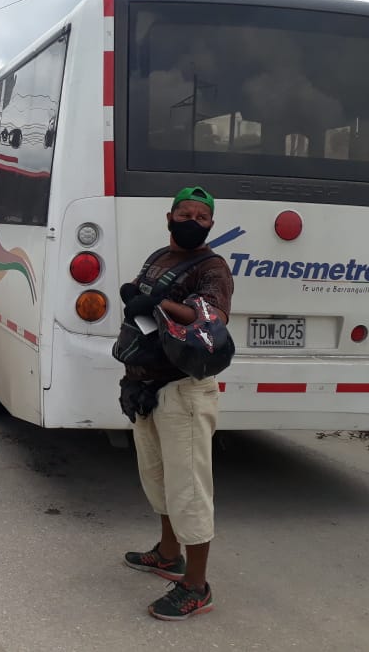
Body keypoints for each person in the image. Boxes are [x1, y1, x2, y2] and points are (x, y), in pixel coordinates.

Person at [119, 186, 234, 621]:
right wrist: (137, 294)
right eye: (184, 213)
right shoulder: (158, 258)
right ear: (169, 216)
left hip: (184, 389)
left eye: (200, 217)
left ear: (210, 225)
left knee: (188, 489)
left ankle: (197, 586)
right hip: (147, 386)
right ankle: (169, 555)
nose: (191, 221)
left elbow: (214, 319)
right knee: (158, 478)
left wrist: (158, 302)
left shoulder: (213, 267)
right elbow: (145, 305)